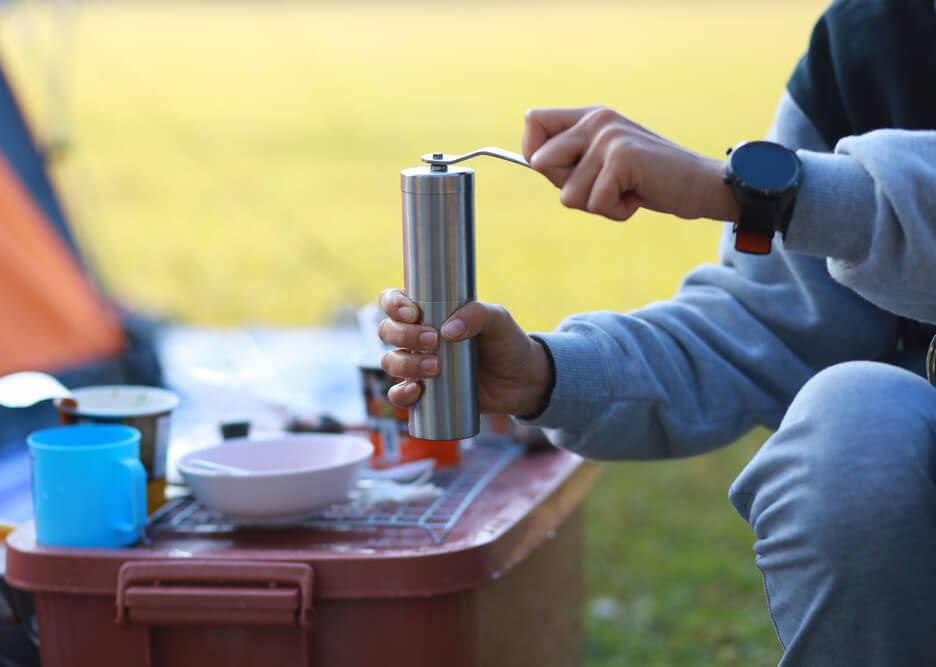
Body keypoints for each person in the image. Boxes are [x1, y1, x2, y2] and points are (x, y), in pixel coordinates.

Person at [376, 0, 936, 664]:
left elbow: (787, 209)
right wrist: (545, 372)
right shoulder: (870, 39)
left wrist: (746, 192)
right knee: (853, 426)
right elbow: (767, 326)